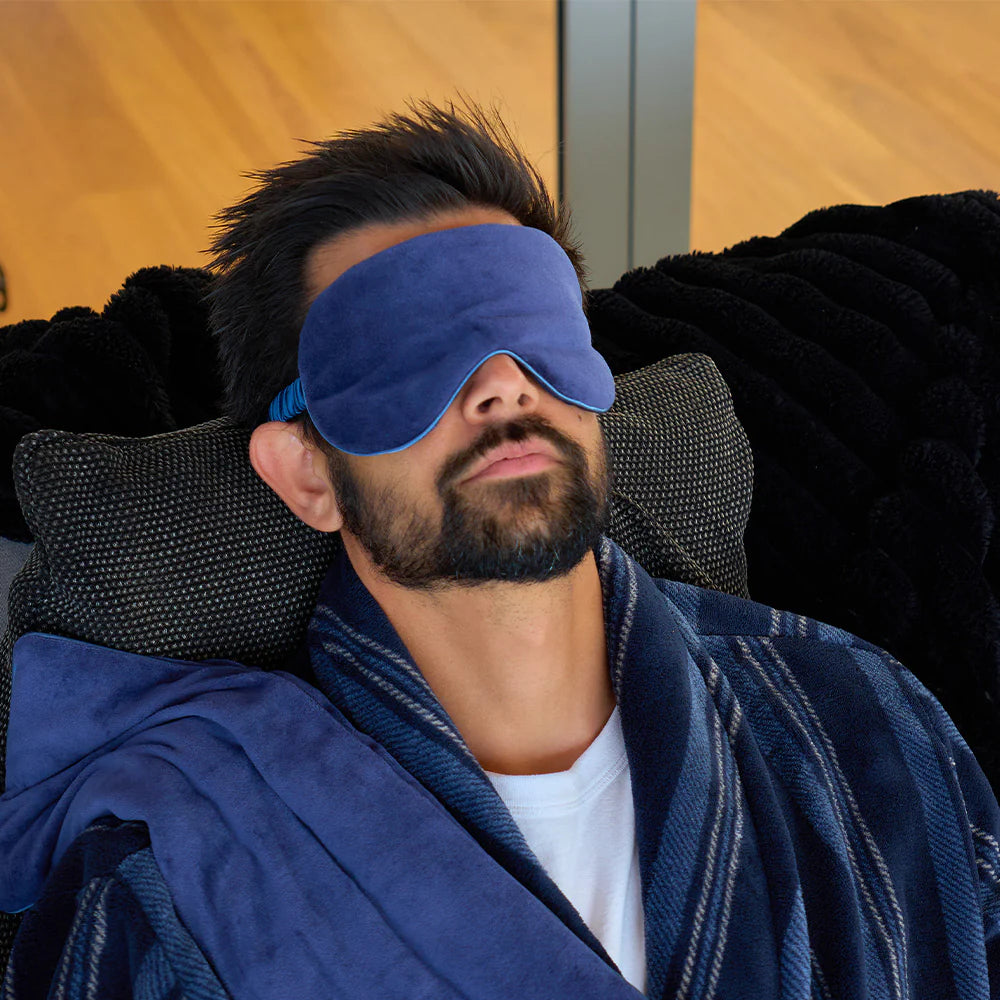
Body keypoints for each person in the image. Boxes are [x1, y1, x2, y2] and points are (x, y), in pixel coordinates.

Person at [2, 95, 1000, 1000]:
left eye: (532, 327)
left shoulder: (865, 729)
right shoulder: (171, 883)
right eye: (406, 350)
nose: (501, 385)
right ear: (307, 475)